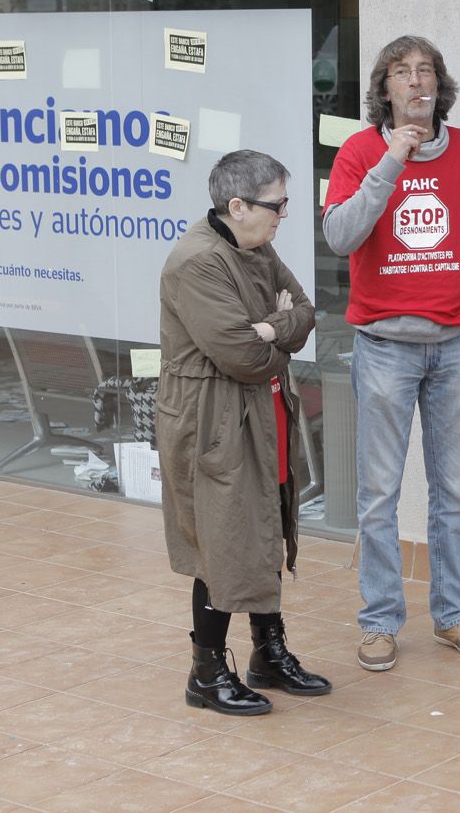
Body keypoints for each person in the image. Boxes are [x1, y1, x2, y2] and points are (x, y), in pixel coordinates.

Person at [324, 35, 460, 671]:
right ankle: (379, 622)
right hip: (384, 349)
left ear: (440, 85)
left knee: (454, 491)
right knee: (379, 495)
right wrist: (390, 163)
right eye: (402, 73)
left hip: (457, 347)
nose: (416, 82)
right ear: (385, 88)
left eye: (426, 71)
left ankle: (453, 616)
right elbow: (341, 237)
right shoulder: (359, 152)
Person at [159, 149, 329, 716]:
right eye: (277, 205)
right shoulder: (197, 262)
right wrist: (271, 335)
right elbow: (243, 355)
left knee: (263, 523)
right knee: (223, 537)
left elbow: (305, 313)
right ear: (237, 205)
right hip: (213, 419)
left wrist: (272, 326)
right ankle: (205, 673)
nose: (284, 214)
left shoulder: (254, 243)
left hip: (259, 410)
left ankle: (268, 652)